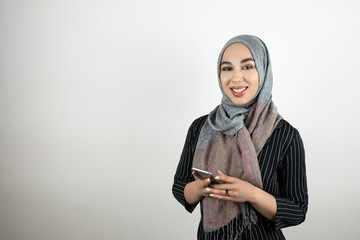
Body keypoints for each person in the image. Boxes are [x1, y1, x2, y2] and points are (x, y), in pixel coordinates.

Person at [172, 35, 308, 239]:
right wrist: (200, 188)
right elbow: (180, 186)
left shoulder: (285, 134)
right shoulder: (201, 127)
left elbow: (297, 210)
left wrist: (252, 194)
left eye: (247, 67)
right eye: (227, 68)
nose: (236, 78)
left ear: (262, 70)